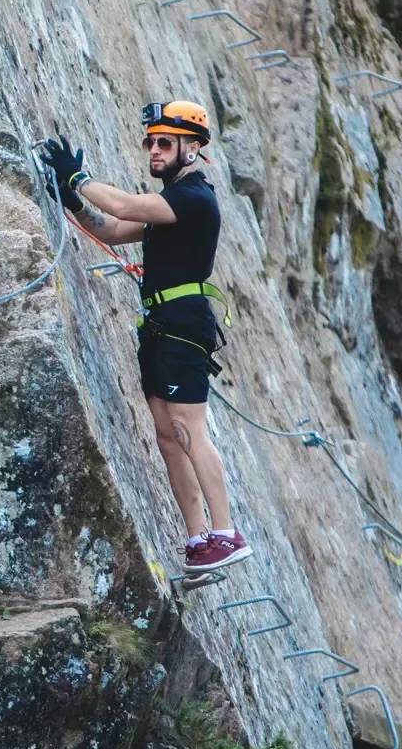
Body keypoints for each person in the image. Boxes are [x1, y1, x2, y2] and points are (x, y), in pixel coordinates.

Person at [37, 102, 253, 572]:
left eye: (165, 143)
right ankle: (198, 538)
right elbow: (112, 229)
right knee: (166, 435)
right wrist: (72, 200)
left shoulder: (194, 197)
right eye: (151, 142)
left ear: (192, 148)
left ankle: (226, 532)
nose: (154, 151)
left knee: (189, 429)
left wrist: (78, 179)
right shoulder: (171, 203)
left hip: (183, 322)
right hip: (160, 325)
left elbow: (125, 205)